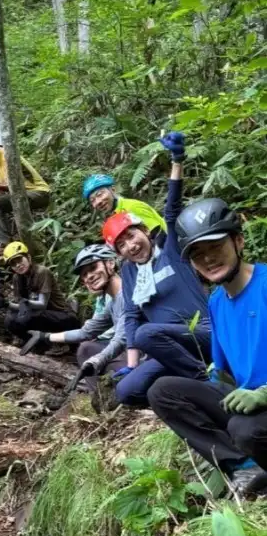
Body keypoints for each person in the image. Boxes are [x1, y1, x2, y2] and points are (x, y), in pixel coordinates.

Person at [147, 198, 267, 498]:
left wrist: (263, 393)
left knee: (244, 429)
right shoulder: (216, 301)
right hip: (246, 402)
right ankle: (244, 465)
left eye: (215, 247)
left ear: (238, 241)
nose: (209, 259)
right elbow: (221, 374)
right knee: (162, 391)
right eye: (198, 254)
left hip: (258, 406)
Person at [101, 131, 210, 409]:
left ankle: (208, 381)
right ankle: (191, 388)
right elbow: (133, 315)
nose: (131, 246)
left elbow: (172, 209)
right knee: (127, 392)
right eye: (122, 244)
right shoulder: (129, 272)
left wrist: (177, 159)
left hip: (203, 333)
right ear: (119, 253)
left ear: (146, 232)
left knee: (146, 334)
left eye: (132, 235)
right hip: (167, 350)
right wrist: (132, 363)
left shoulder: (171, 249)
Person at [31, 244, 127, 377]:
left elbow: (121, 340)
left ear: (110, 263)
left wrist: (96, 360)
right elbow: (86, 332)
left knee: (96, 360)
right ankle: (100, 395)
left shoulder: (127, 294)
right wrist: (45, 336)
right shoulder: (112, 302)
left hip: (142, 355)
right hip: (128, 352)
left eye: (93, 268)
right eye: (84, 275)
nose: (89, 276)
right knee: (85, 349)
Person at [1, 241, 79, 343]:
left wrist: (24, 304)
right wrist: (7, 304)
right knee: (10, 320)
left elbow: (42, 304)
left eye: (20, 260)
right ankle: (36, 344)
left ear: (28, 257)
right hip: (39, 315)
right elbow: (20, 305)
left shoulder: (42, 272)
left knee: (29, 316)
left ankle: (56, 344)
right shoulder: (17, 278)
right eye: (13, 264)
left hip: (61, 316)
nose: (18, 265)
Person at [83, 173, 166, 233]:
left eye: (100, 194)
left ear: (113, 189)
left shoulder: (132, 207)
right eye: (92, 200)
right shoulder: (116, 214)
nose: (98, 202)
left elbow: (159, 235)